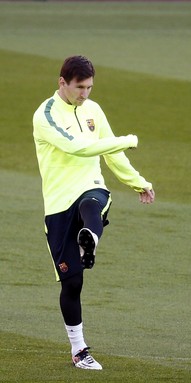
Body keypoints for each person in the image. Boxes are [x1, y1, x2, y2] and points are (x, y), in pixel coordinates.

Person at [33, 55, 155, 370]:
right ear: (62, 82)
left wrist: (137, 182)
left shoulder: (93, 110)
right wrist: (129, 139)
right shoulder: (45, 116)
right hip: (59, 203)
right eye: (79, 87)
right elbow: (78, 148)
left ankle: (90, 237)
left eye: (89, 87)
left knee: (95, 201)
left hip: (90, 186)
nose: (85, 94)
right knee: (71, 283)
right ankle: (79, 350)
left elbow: (109, 154)